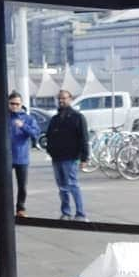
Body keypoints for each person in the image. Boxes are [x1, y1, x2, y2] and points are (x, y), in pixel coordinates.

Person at [43, 89, 89, 221]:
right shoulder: (55, 119)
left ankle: (80, 213)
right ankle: (66, 212)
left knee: (72, 185)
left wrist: (84, 157)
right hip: (57, 157)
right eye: (59, 99)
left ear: (70, 99)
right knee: (62, 187)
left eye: (64, 98)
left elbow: (84, 138)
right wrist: (50, 150)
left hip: (71, 157)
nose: (61, 101)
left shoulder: (77, 117)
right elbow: (49, 136)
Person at [7, 91, 37, 218]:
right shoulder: (4, 117)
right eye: (12, 104)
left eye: (17, 104)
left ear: (21, 104)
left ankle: (20, 208)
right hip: (6, 157)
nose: (14, 106)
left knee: (22, 185)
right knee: (4, 185)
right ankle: (6, 208)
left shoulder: (28, 118)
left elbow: (35, 133)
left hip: (21, 157)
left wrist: (23, 126)